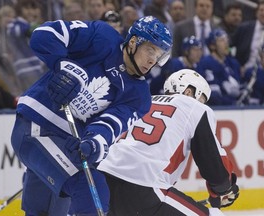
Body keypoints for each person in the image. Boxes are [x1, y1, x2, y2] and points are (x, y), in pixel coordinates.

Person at [10, 16, 172, 216]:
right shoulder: (101, 37)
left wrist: (94, 143)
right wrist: (63, 64)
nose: (152, 60)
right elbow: (44, 35)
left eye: (158, 56)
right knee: (88, 185)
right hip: (36, 127)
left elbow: (111, 124)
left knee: (47, 212)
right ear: (133, 42)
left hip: (67, 146)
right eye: (150, 50)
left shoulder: (139, 96)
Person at [98, 69, 239, 216]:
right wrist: (223, 189)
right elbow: (214, 166)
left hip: (104, 178)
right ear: (189, 92)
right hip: (146, 186)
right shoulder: (194, 108)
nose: (202, 103)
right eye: (202, 98)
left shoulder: (145, 101)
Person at [200, 28, 241, 106]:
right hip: (216, 108)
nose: (226, 43)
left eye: (227, 40)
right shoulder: (205, 63)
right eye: (222, 40)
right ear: (212, 46)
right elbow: (213, 95)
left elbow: (238, 86)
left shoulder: (233, 63)